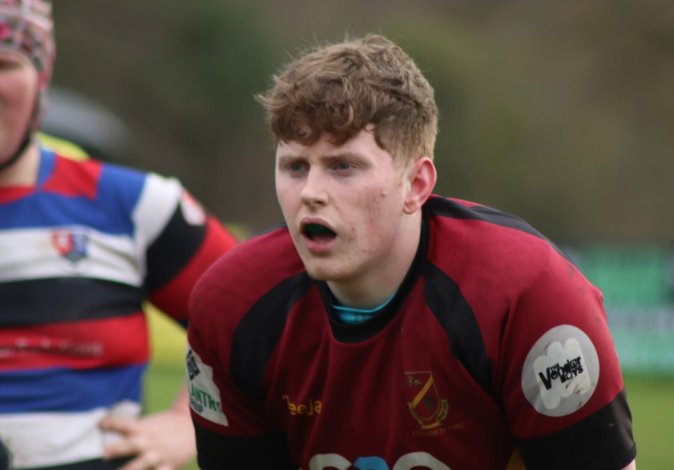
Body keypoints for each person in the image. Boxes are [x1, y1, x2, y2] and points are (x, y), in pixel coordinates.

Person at [186, 34, 637, 469]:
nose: (310, 192)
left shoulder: (527, 294)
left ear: (416, 185)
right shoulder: (234, 305)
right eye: (295, 167)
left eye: (343, 166)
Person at [0, 1, 237, 469]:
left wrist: (187, 422)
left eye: (4, 64)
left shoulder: (134, 204)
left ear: (41, 80)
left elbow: (259, 318)